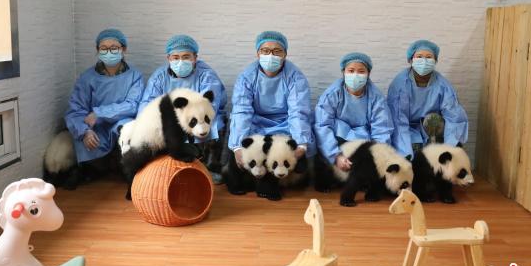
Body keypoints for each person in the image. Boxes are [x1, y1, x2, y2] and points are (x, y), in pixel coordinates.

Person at [64, 28, 144, 188]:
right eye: (104, 48)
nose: (109, 52)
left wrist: (99, 113)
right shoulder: (87, 78)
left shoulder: (135, 76)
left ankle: (127, 171)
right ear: (97, 50)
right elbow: (76, 110)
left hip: (120, 123)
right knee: (81, 131)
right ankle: (87, 169)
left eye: (114, 48)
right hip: (95, 128)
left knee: (126, 129)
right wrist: (84, 132)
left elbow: (132, 104)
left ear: (124, 49)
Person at [138, 34, 227, 173]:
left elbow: (209, 106)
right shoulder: (159, 77)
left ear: (195, 58)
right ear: (168, 58)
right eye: (175, 57)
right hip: (169, 122)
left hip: (198, 120)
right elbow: (147, 105)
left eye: (186, 57)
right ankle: (166, 166)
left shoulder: (207, 75)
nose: (180, 62)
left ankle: (209, 168)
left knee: (215, 126)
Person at [228, 31, 314, 175]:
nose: (271, 55)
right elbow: (241, 110)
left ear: (285, 54)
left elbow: (298, 111)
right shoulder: (247, 77)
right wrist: (237, 146)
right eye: (265, 51)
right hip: (256, 122)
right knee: (241, 159)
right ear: (258, 54)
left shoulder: (295, 77)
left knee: (296, 164)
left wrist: (301, 144)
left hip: (286, 124)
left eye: (277, 51)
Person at [313, 52, 393, 191]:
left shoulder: (376, 98)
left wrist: (376, 157)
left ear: (368, 73)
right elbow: (322, 125)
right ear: (343, 72)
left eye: (361, 71)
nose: (355, 75)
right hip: (337, 138)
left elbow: (382, 129)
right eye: (351, 71)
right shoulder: (332, 94)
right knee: (323, 161)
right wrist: (335, 156)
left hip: (363, 141)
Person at [387, 39, 468, 159]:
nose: (424, 61)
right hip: (407, 128)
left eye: (429, 57)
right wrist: (405, 155)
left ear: (435, 60)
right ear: (410, 60)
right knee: (409, 152)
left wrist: (451, 148)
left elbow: (454, 116)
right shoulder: (400, 84)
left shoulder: (442, 85)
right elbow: (398, 120)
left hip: (431, 128)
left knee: (433, 119)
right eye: (419, 56)